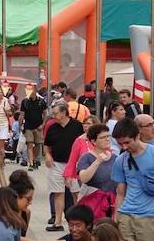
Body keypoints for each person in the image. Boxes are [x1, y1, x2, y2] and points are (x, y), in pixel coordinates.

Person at [111, 117, 154, 241]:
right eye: (120, 144)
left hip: (148, 217)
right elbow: (120, 192)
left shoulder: (152, 153)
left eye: (127, 142)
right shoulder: (121, 160)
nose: (124, 147)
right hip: (125, 216)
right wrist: (116, 218)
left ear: (137, 135)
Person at [43, 102, 84, 231]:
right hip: (56, 163)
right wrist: (48, 155)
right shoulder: (52, 127)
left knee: (76, 193)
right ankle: (58, 222)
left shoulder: (77, 126)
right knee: (58, 192)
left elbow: (83, 143)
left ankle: (79, 221)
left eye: (55, 113)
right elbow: (46, 145)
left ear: (63, 113)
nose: (53, 116)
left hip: (74, 164)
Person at [75, 123, 118, 197]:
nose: (107, 139)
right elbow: (83, 178)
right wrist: (97, 162)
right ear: (93, 141)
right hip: (94, 201)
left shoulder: (115, 158)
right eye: (103, 137)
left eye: (108, 136)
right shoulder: (86, 157)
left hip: (112, 200)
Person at [19, 85, 48, 169]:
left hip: (38, 126)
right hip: (28, 126)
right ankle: (31, 163)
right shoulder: (25, 101)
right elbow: (22, 114)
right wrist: (20, 126)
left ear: (35, 90)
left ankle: (35, 160)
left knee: (38, 145)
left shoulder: (41, 101)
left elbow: (45, 113)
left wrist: (43, 125)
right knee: (29, 144)